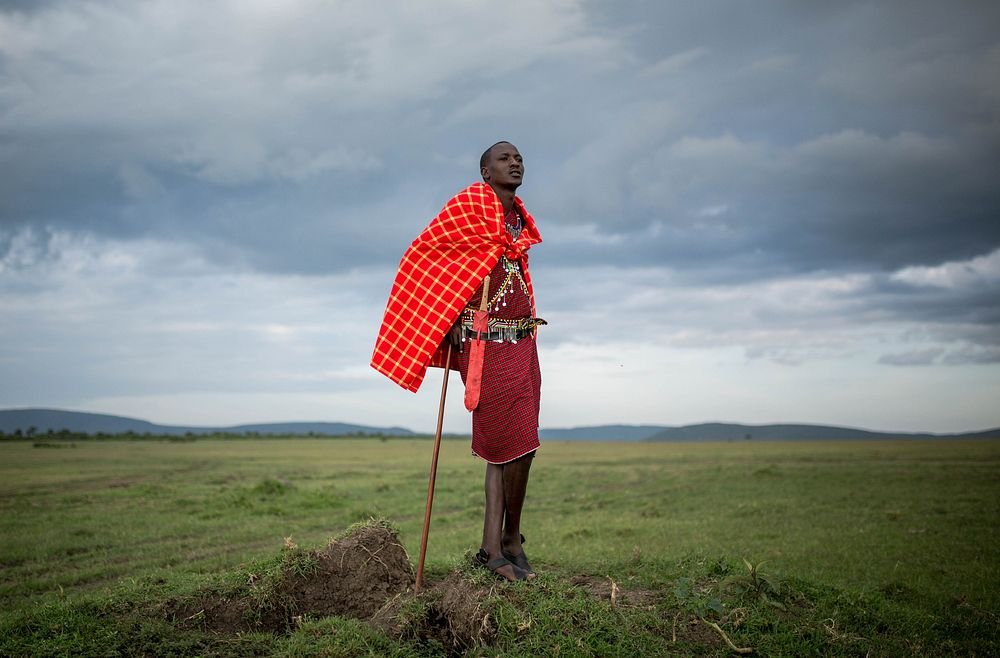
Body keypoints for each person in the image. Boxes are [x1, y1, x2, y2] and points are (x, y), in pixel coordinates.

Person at [371, 141, 544, 582]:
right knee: (511, 443)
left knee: (516, 448)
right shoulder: (468, 208)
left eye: (518, 156)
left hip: (524, 342)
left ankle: (502, 542)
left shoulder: (518, 221)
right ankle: (502, 544)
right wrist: (446, 316)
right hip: (487, 344)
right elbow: (424, 255)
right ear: (486, 171)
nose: (515, 161)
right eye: (504, 158)